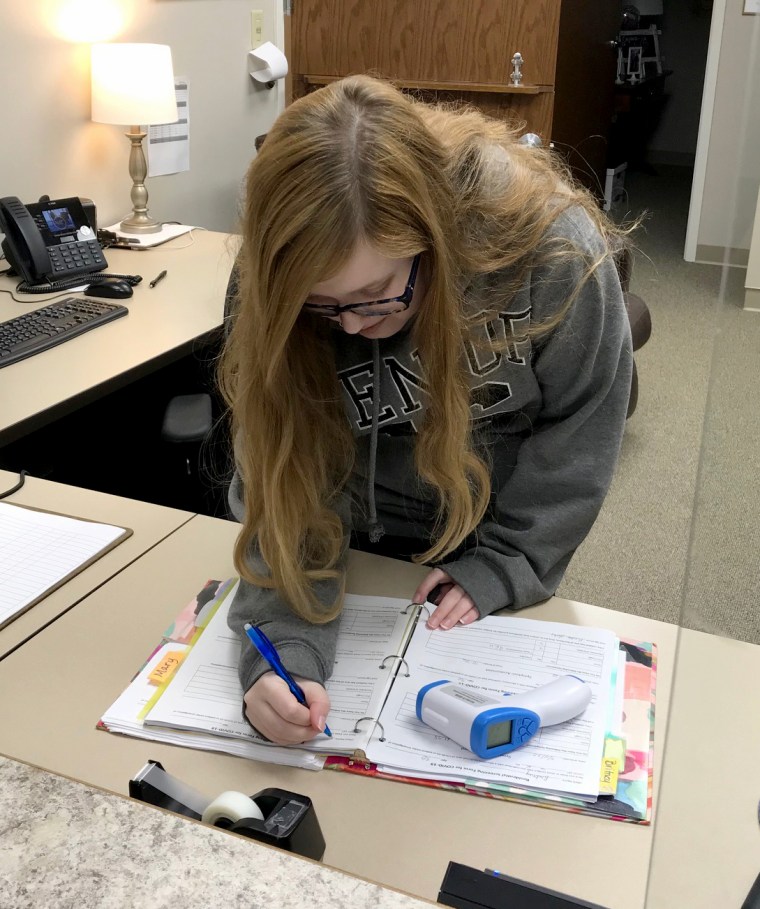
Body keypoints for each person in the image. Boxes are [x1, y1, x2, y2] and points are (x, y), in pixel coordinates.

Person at [218, 75, 633, 746]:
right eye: (322, 307)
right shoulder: (270, 288)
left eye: (375, 293)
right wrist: (282, 642)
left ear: (434, 234)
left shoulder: (553, 249)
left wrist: (507, 562)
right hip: (345, 532)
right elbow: (282, 466)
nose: (349, 326)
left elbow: (579, 432)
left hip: (485, 529)